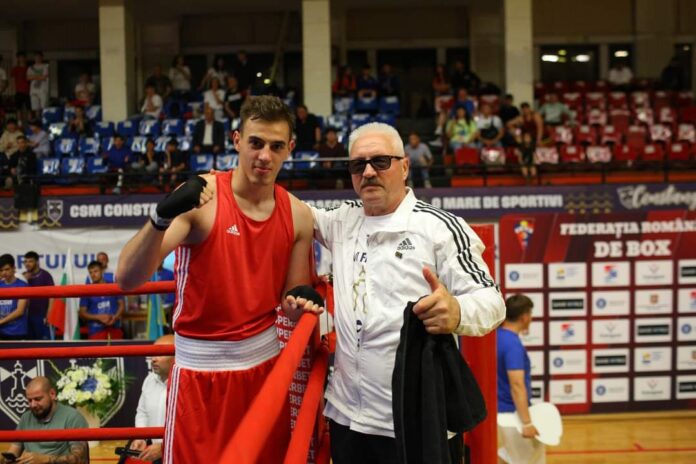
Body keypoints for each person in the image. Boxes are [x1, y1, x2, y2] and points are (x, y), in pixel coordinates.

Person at [116, 95, 323, 462]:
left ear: (290, 148)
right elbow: (126, 279)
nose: (264, 156)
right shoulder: (204, 197)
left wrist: (301, 303)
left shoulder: (298, 215)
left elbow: (290, 303)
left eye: (276, 146)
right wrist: (160, 218)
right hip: (199, 374)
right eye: (256, 143)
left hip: (263, 371)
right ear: (236, 140)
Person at [308, 122, 505, 463]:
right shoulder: (340, 220)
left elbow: (492, 301)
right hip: (347, 417)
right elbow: (280, 207)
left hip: (419, 422)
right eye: (357, 165)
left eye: (380, 161)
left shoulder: (440, 227)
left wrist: (457, 311)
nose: (368, 172)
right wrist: (218, 185)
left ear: (404, 166)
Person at [497, 294, 544, 464]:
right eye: (530, 314)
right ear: (524, 317)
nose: (531, 319)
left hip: (498, 413)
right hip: (511, 414)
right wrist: (527, 423)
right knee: (530, 459)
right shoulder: (513, 345)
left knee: (507, 457)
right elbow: (517, 385)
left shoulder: (496, 337)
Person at [0, 377, 88, 464]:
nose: (33, 405)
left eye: (38, 399)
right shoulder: (26, 418)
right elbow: (13, 451)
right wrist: (5, 459)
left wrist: (46, 459)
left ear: (52, 394)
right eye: (29, 400)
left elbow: (80, 460)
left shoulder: (72, 417)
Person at [129, 334, 175, 463]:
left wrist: (165, 447)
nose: (153, 359)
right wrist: (141, 437)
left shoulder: (189, 385)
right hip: (156, 455)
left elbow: (194, 427)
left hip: (182, 455)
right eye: (153, 354)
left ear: (176, 356)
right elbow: (142, 412)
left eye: (160, 354)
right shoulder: (149, 380)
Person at [79, 260, 124, 340]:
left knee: (117, 348)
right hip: (96, 331)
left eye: (95, 271)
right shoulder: (87, 290)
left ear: (102, 271)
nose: (93, 275)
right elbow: (82, 313)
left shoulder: (113, 286)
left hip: (115, 328)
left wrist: (115, 317)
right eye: (90, 272)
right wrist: (98, 317)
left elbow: (122, 304)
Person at [22, 251, 55, 340]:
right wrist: (24, 280)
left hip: (42, 315)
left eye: (30, 261)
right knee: (30, 344)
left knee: (44, 344)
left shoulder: (46, 275)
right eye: (25, 261)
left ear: (37, 262)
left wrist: (49, 314)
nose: (27, 264)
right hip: (27, 317)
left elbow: (52, 296)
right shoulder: (23, 277)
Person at [0, 254, 29, 341]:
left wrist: (1, 321)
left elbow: (20, 311)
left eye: (7, 269)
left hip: (17, 331)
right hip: (2, 332)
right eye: (1, 270)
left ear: (14, 268)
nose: (4, 273)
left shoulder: (22, 285)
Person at [27, 51, 49, 117]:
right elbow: (28, 78)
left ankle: (44, 119)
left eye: (39, 57)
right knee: (35, 108)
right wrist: (40, 76)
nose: (37, 58)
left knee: (44, 107)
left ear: (42, 58)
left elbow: (44, 77)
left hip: (43, 89)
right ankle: (37, 120)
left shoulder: (45, 66)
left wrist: (33, 76)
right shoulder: (30, 67)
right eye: (36, 57)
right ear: (34, 58)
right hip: (33, 90)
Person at [11, 52, 31, 124]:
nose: (21, 59)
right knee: (18, 109)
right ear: (18, 59)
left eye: (23, 57)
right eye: (20, 57)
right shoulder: (15, 69)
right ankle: (19, 124)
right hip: (18, 91)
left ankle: (30, 124)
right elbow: (12, 80)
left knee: (29, 109)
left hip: (28, 91)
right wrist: (13, 91)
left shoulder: (29, 68)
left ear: (25, 58)